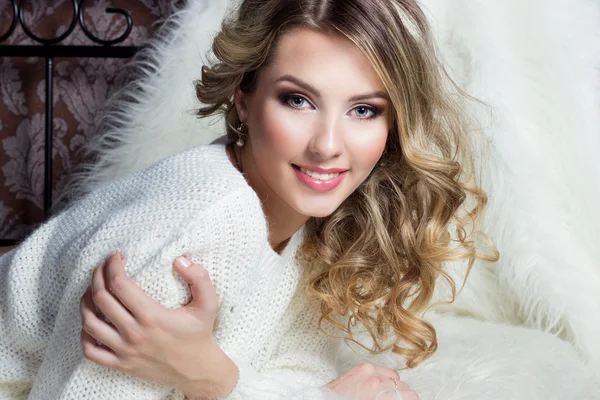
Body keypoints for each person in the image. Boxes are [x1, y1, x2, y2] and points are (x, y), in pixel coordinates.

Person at [0, 0, 497, 399]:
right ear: (243, 96)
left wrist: (212, 377)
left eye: (363, 110)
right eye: (297, 100)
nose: (327, 145)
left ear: (391, 127)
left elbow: (293, 366)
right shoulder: (194, 234)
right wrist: (214, 377)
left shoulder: (306, 211)